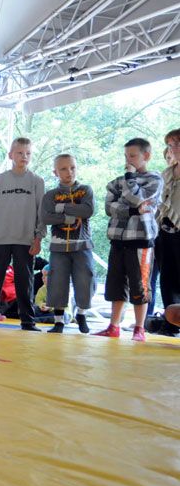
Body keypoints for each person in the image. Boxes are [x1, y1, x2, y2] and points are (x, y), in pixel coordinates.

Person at [94, 138, 163, 342]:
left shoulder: (154, 180)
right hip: (117, 238)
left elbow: (140, 200)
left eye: (133, 156)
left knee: (140, 284)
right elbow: (109, 207)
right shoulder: (118, 180)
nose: (128, 160)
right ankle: (113, 325)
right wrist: (133, 210)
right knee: (115, 283)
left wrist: (130, 184)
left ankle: (139, 328)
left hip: (140, 240)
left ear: (146, 156)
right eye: (126, 156)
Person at [0, 138, 45, 331]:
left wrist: (39, 237)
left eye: (28, 153)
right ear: (11, 155)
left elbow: (42, 212)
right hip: (1, 239)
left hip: (26, 240)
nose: (24, 157)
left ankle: (28, 321)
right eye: (20, 153)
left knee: (25, 283)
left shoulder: (37, 181)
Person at [39, 154, 94, 334]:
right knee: (57, 282)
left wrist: (60, 208)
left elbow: (87, 210)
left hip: (82, 245)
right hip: (58, 246)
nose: (69, 172)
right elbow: (46, 216)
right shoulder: (50, 195)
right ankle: (58, 321)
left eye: (72, 167)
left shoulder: (86, 190)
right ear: (55, 172)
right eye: (63, 168)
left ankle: (82, 315)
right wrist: (69, 216)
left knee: (85, 279)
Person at [154, 130, 180, 335]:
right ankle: (171, 323)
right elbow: (159, 203)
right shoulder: (167, 173)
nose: (173, 148)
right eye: (170, 144)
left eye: (176, 143)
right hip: (164, 231)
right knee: (167, 277)